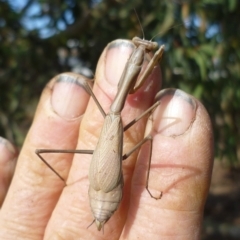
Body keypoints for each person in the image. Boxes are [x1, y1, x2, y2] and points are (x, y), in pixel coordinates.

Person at [0, 39, 213, 239]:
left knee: (146, 136)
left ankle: (69, 183)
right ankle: (144, 187)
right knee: (148, 137)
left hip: (105, 183)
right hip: (103, 185)